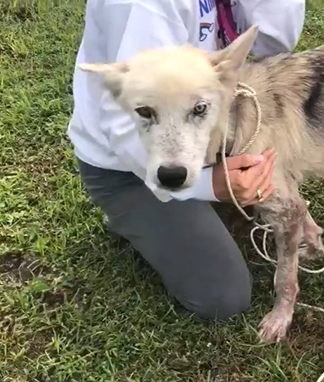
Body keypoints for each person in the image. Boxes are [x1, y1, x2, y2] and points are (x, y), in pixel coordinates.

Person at [67, 0, 305, 321]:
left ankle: (180, 213)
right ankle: (132, 215)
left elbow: (274, 41)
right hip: (127, 166)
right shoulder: (142, 6)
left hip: (197, 134)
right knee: (222, 295)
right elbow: (125, 119)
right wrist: (211, 185)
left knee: (262, 185)